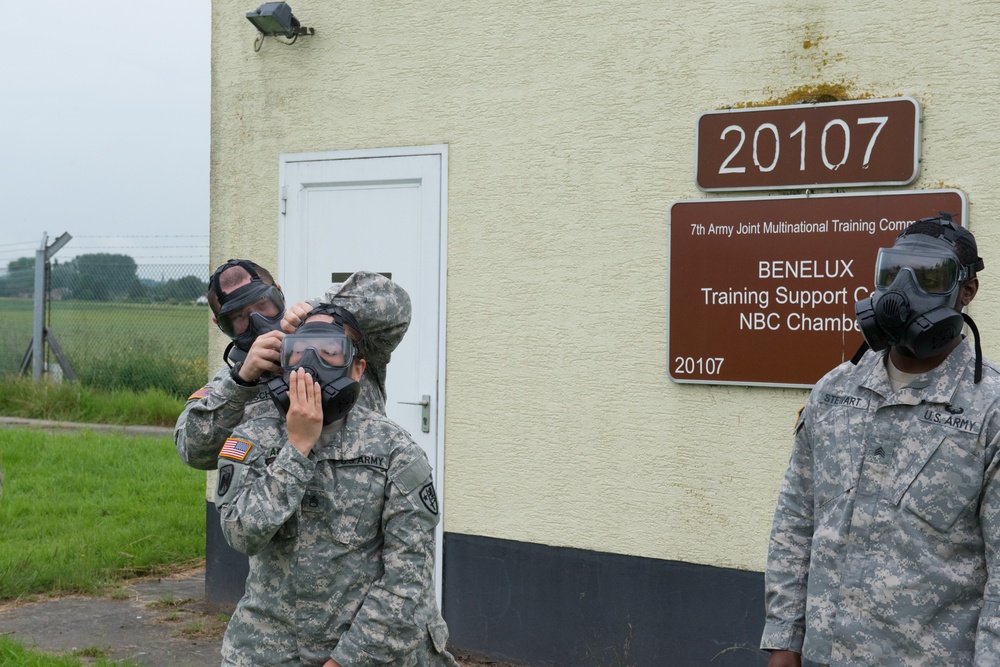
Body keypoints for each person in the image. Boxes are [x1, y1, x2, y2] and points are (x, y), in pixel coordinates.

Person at [761, 214, 1000, 666]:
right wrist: (782, 642)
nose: (903, 291)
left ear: (966, 291)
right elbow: (795, 521)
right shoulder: (834, 391)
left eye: (930, 276)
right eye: (893, 273)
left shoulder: (989, 411)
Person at [215, 303, 458, 667]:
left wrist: (346, 661)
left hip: (370, 655)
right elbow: (241, 534)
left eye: (329, 352)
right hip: (268, 651)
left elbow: (408, 583)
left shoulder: (396, 452)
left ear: (357, 368)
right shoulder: (252, 437)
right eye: (297, 351)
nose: (310, 363)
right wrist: (297, 449)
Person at [174, 260, 410, 470]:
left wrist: (323, 308)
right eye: (239, 318)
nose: (257, 321)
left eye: (263, 305)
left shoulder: (342, 343)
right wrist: (241, 382)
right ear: (219, 323)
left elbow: (396, 304)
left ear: (280, 295)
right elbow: (194, 452)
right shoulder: (229, 386)